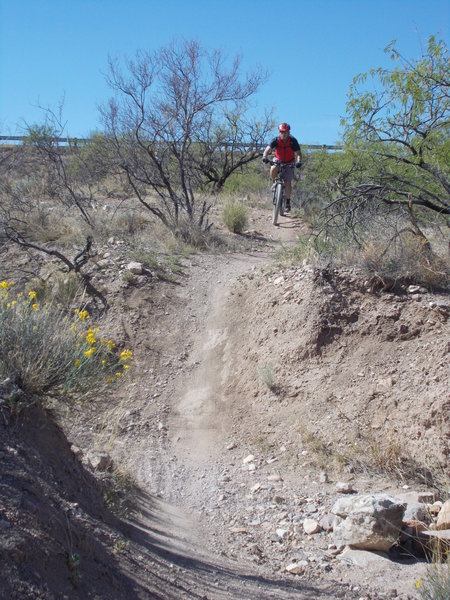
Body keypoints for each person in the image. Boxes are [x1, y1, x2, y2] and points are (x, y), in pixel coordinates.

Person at [262, 123, 302, 212]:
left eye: (286, 132)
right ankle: (273, 182)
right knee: (273, 168)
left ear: (289, 132)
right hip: (278, 160)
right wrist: (264, 157)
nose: (284, 134)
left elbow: (298, 153)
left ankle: (287, 202)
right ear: (279, 132)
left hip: (289, 161)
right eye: (282, 132)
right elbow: (267, 150)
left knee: (288, 182)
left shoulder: (293, 141)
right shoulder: (275, 140)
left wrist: (299, 161)